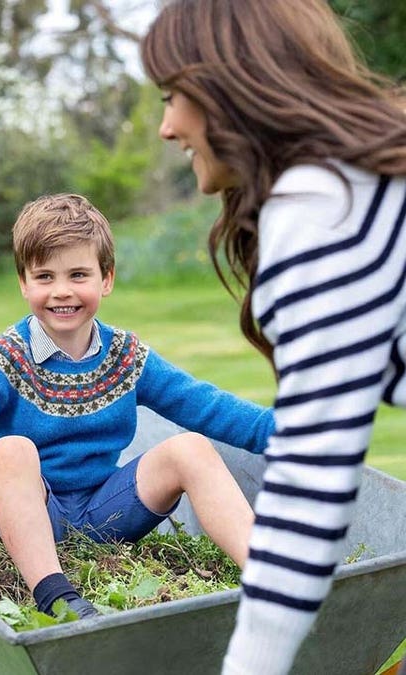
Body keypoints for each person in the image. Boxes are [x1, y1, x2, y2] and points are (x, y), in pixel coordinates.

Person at [142, 0, 406, 672]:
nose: (168, 127)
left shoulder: (319, 213)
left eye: (174, 96)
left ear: (229, 88)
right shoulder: (361, 182)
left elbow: (311, 484)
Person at [0, 193, 276, 621]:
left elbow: (206, 406)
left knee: (190, 447)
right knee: (9, 450)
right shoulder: (5, 360)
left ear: (106, 279)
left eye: (79, 274)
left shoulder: (126, 356)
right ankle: (57, 598)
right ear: (23, 282)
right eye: (44, 276)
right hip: (21, 516)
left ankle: (268, 579)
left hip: (103, 512)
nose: (62, 291)